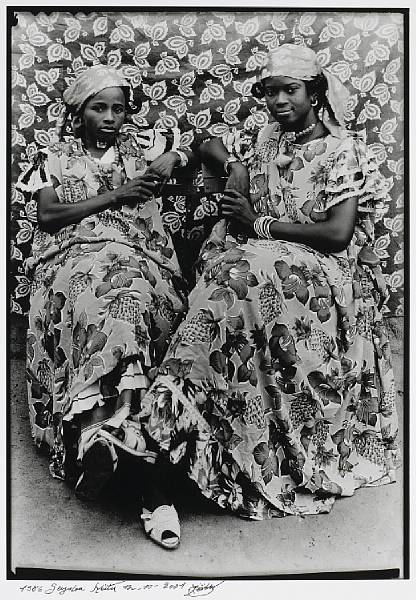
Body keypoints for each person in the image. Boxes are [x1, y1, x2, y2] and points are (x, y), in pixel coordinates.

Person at [141, 44, 401, 522]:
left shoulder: (342, 149)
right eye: (270, 92)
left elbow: (337, 234)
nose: (279, 101)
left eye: (290, 91)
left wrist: (259, 223)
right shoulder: (268, 139)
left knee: (237, 279)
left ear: (315, 91)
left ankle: (169, 433)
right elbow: (208, 143)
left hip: (324, 271)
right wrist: (231, 166)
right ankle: (184, 414)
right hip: (266, 258)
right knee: (231, 280)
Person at [18, 64, 197, 549]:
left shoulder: (141, 150)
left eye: (119, 108)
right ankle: (149, 485)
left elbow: (203, 143)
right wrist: (116, 195)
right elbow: (50, 216)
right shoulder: (52, 158)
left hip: (141, 257)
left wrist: (176, 155)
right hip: (73, 259)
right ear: (78, 113)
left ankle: (106, 441)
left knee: (132, 302)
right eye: (100, 108)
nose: (111, 117)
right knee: (97, 303)